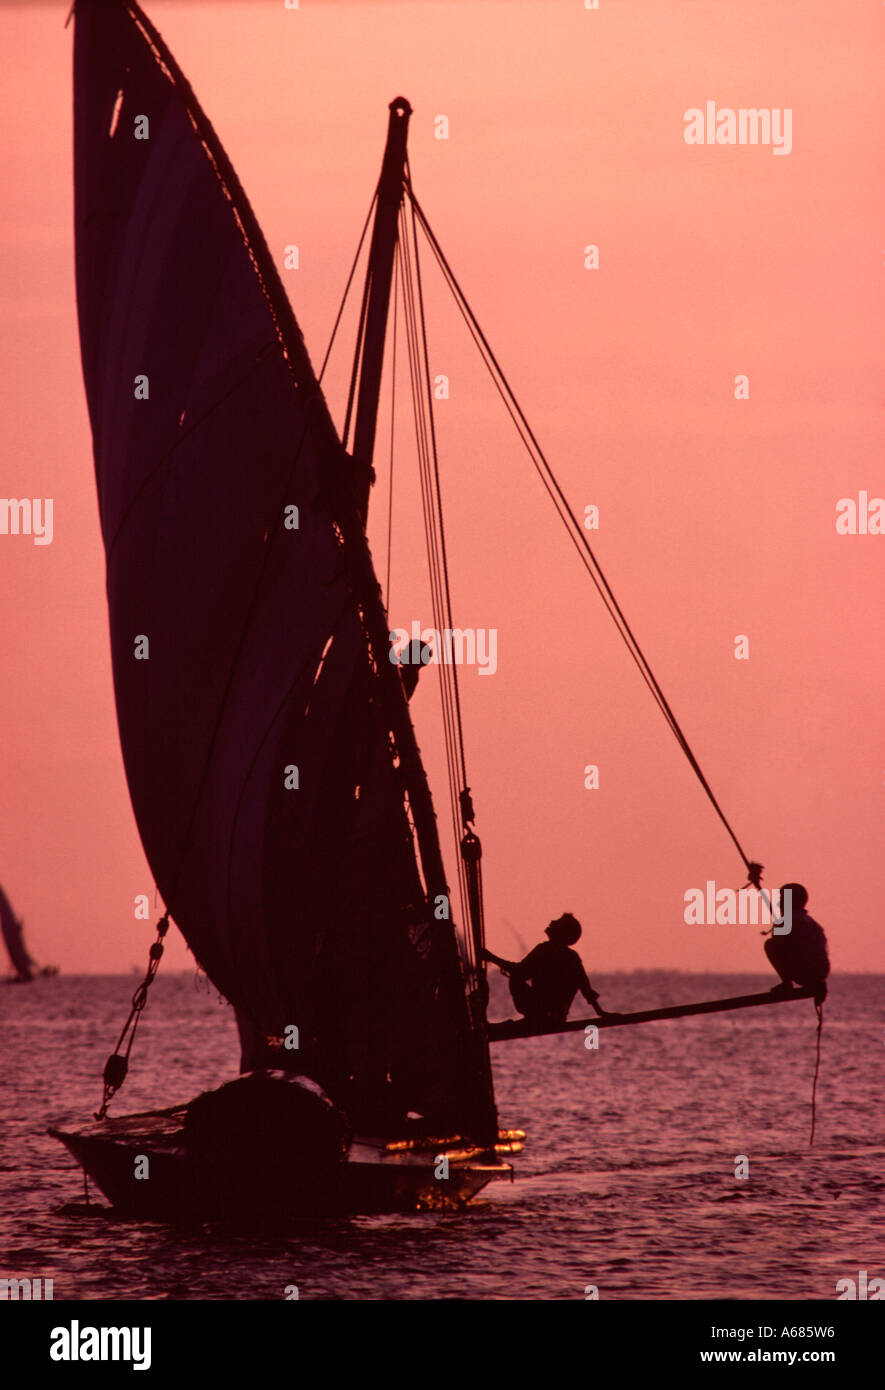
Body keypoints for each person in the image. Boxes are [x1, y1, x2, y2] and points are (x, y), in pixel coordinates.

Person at [482, 913, 610, 1027]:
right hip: (558, 1018)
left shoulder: (544, 950)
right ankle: (534, 1018)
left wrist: (490, 957)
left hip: (541, 1013)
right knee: (516, 975)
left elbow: (519, 970)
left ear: (561, 932)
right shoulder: (573, 957)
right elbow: (586, 989)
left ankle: (533, 1018)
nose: (552, 922)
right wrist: (601, 1012)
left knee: (516, 977)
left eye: (557, 922)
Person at [764, 883, 829, 1004]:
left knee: (770, 945)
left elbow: (779, 944)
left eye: (782, 900)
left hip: (805, 973)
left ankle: (787, 983)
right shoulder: (812, 923)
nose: (779, 904)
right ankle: (817, 983)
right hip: (821, 973)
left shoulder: (788, 921)